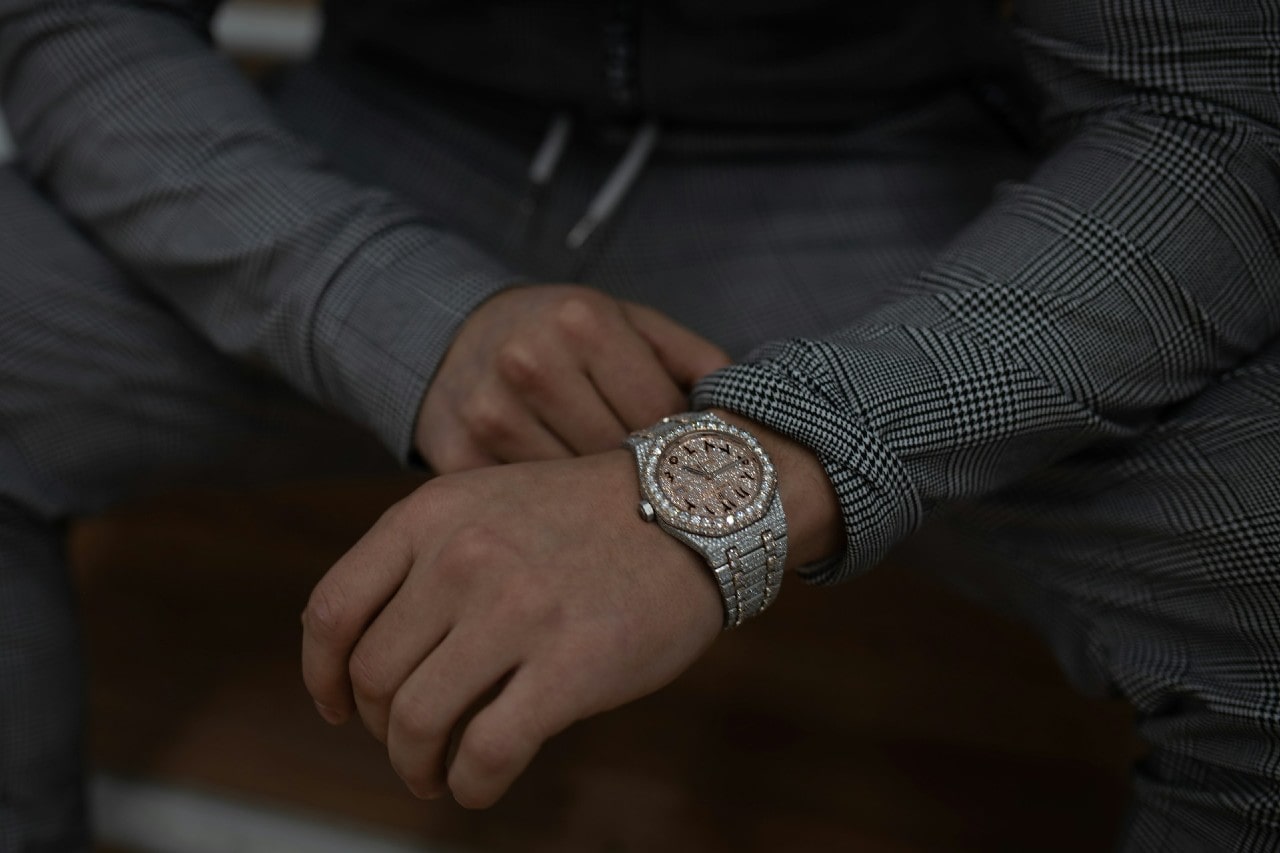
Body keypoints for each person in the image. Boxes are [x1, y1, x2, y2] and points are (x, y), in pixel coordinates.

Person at [1, 0, 1277, 849]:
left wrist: (758, 469)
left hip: (875, 167)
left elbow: (1210, 120)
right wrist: (397, 307)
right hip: (389, 133)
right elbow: (78, 16)